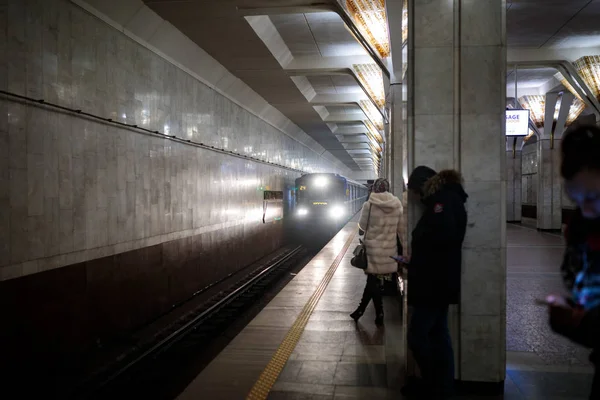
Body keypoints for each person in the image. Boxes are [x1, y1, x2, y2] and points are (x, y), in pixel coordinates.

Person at [401, 166, 468, 399]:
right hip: (439, 280)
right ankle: (443, 387)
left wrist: (416, 259)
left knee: (418, 335)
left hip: (434, 283)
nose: (417, 198)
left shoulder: (443, 203)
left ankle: (434, 386)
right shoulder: (445, 200)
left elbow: (441, 243)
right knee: (439, 334)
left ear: (424, 185)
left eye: (416, 192)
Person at [546, 124, 600, 400]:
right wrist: (572, 318)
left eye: (593, 198)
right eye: (577, 200)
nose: (587, 210)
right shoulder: (582, 228)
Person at [350, 178, 403, 327]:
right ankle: (361, 311)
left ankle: (376, 313)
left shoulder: (369, 205)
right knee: (373, 282)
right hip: (388, 252)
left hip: (373, 251)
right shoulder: (397, 204)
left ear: (374, 188)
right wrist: (405, 248)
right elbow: (401, 230)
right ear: (388, 188)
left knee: (372, 281)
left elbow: (362, 226)